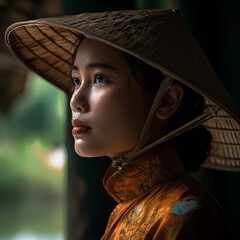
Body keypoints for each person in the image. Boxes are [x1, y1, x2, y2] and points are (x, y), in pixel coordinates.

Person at [5, 8, 239, 239]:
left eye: (100, 78)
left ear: (166, 100)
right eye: (76, 80)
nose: (76, 100)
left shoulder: (186, 219)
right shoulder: (126, 209)